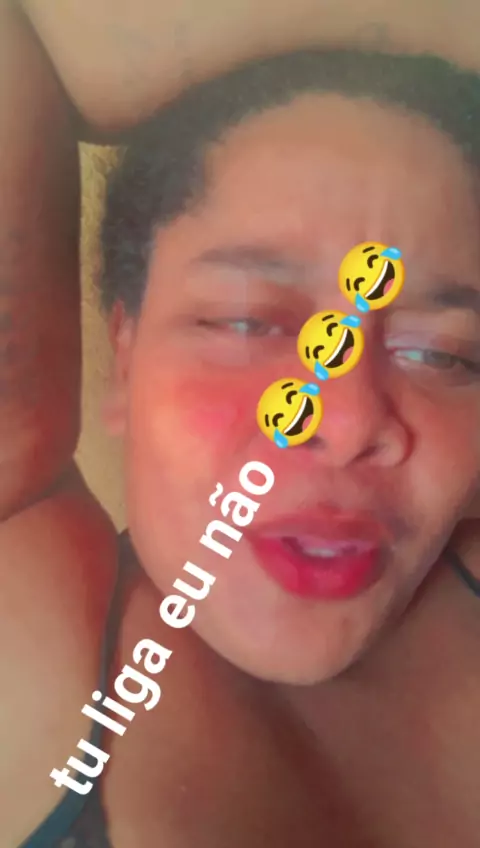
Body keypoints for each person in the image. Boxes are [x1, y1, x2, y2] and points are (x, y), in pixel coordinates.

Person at [1, 3, 479, 847]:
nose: (347, 420)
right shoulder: (29, 644)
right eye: (250, 321)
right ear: (124, 353)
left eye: (439, 355)